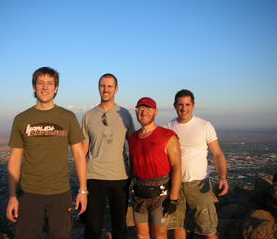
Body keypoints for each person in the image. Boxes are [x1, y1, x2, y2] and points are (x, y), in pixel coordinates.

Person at [6, 67, 88, 239]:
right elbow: (14, 159)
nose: (45, 87)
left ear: (56, 88)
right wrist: (12, 196)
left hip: (60, 193)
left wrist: (83, 191)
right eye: (40, 83)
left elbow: (79, 156)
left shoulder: (67, 117)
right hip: (28, 193)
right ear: (34, 87)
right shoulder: (21, 119)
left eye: (50, 83)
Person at [165, 89, 229, 239]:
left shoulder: (204, 126)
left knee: (208, 228)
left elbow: (218, 153)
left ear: (193, 106)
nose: (184, 108)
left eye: (187, 104)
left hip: (199, 185)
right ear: (175, 106)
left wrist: (223, 178)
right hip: (176, 185)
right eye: (180, 104)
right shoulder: (167, 128)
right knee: (178, 226)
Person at [81, 73, 135, 239]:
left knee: (119, 225)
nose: (106, 89)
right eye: (103, 86)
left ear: (116, 89)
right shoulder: (88, 116)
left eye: (110, 86)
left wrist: (134, 175)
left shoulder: (125, 114)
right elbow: (83, 151)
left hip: (120, 177)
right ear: (98, 88)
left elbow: (133, 145)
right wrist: (81, 184)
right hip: (94, 176)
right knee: (93, 227)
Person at [129, 97, 182, 239]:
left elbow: (177, 167)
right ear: (136, 112)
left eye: (148, 108)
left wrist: (173, 199)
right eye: (140, 108)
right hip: (139, 194)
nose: (144, 111)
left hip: (161, 195)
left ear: (156, 112)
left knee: (160, 235)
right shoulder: (133, 138)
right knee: (141, 234)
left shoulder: (168, 136)